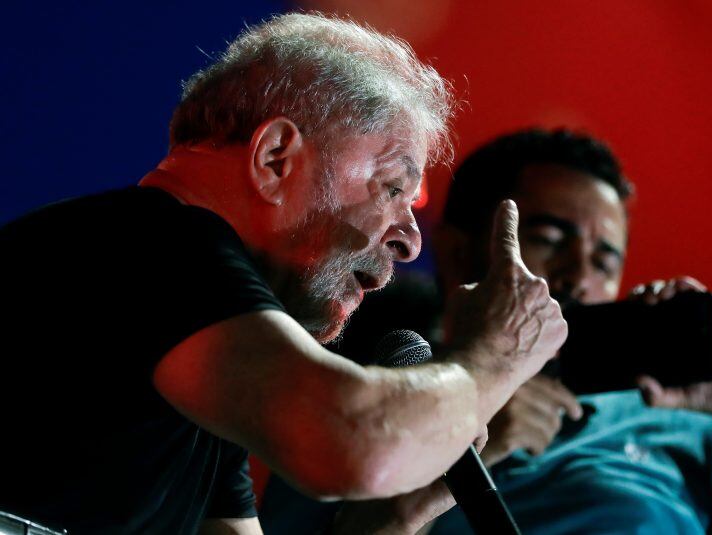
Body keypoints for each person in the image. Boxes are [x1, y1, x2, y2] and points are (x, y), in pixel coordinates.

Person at [0, 15, 568, 535]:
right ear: (275, 158)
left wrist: (396, 515)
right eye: (393, 188)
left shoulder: (207, 355)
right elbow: (351, 445)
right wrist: (496, 356)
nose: (410, 239)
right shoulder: (153, 246)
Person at [259, 128, 712, 533]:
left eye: (605, 259)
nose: (580, 276)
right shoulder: (352, 404)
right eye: (549, 240)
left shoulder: (692, 433)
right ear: (459, 253)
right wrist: (465, 437)